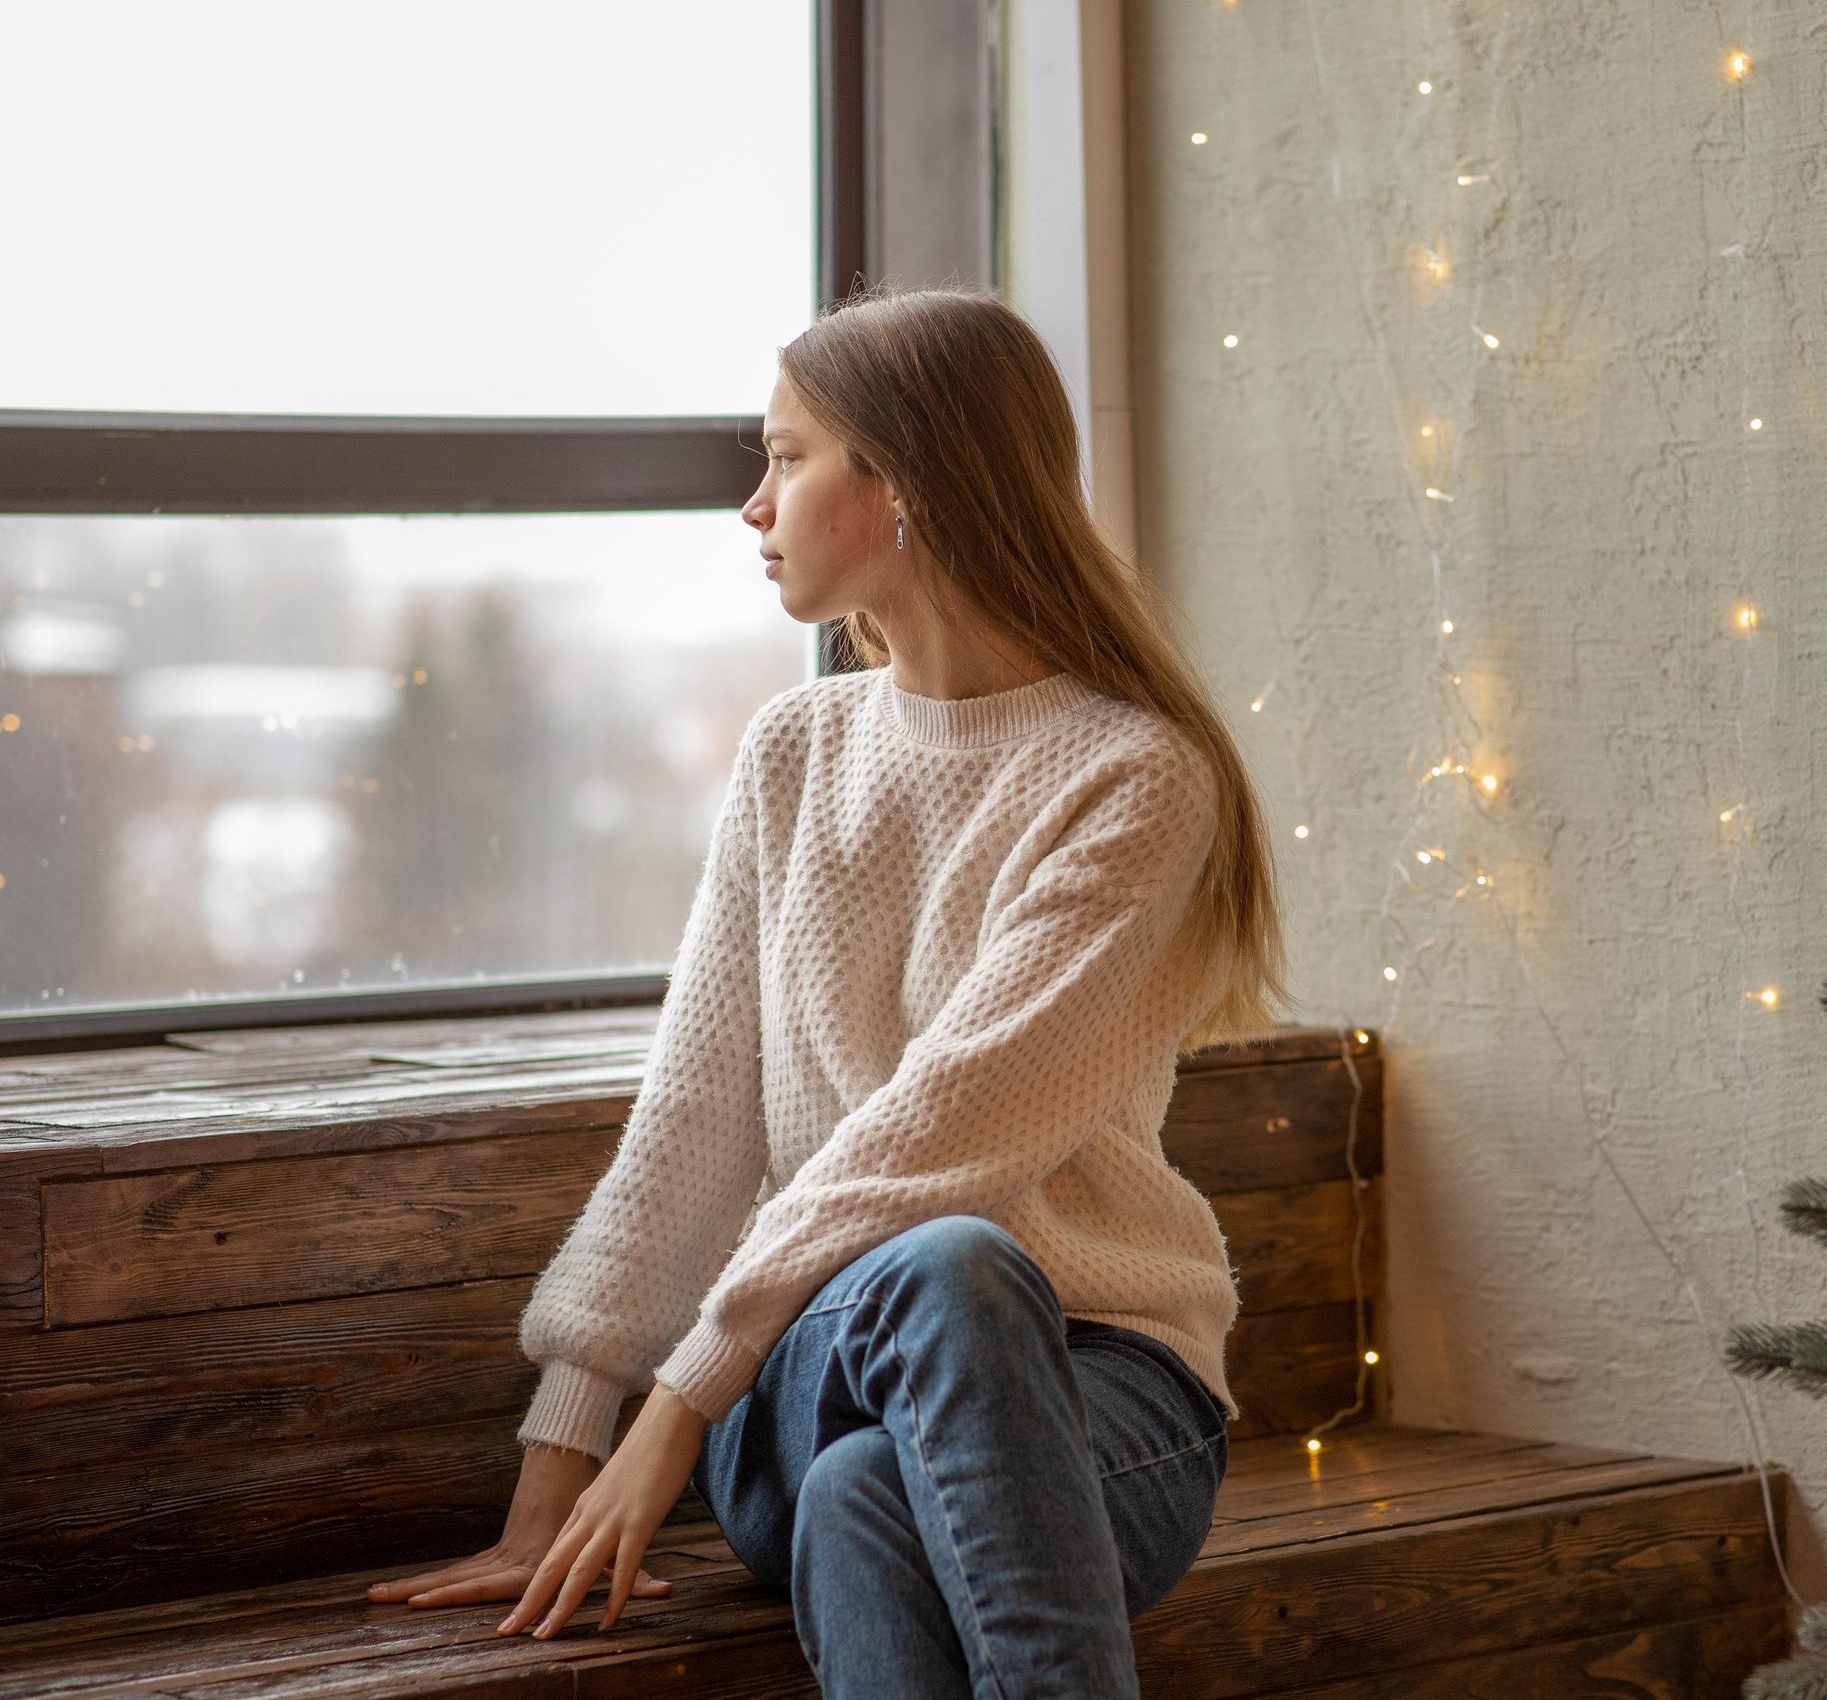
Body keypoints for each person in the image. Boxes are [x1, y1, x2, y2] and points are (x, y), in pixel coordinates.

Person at [364, 285, 1287, 1699]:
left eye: (787, 456)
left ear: (901, 483)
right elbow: (693, 1123)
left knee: (877, 1478)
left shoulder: (1134, 780)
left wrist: (674, 1405)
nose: (754, 504)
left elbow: (943, 1132)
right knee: (942, 1278)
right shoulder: (797, 753)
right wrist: (563, 1466)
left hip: (1109, 1396)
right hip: (798, 1377)